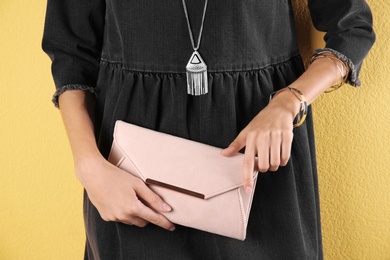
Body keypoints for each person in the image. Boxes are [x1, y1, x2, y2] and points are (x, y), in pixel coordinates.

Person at [42, 0, 375, 259]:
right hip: (130, 178)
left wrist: (290, 101)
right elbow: (70, 50)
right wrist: (88, 166)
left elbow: (352, 27)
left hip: (260, 166)